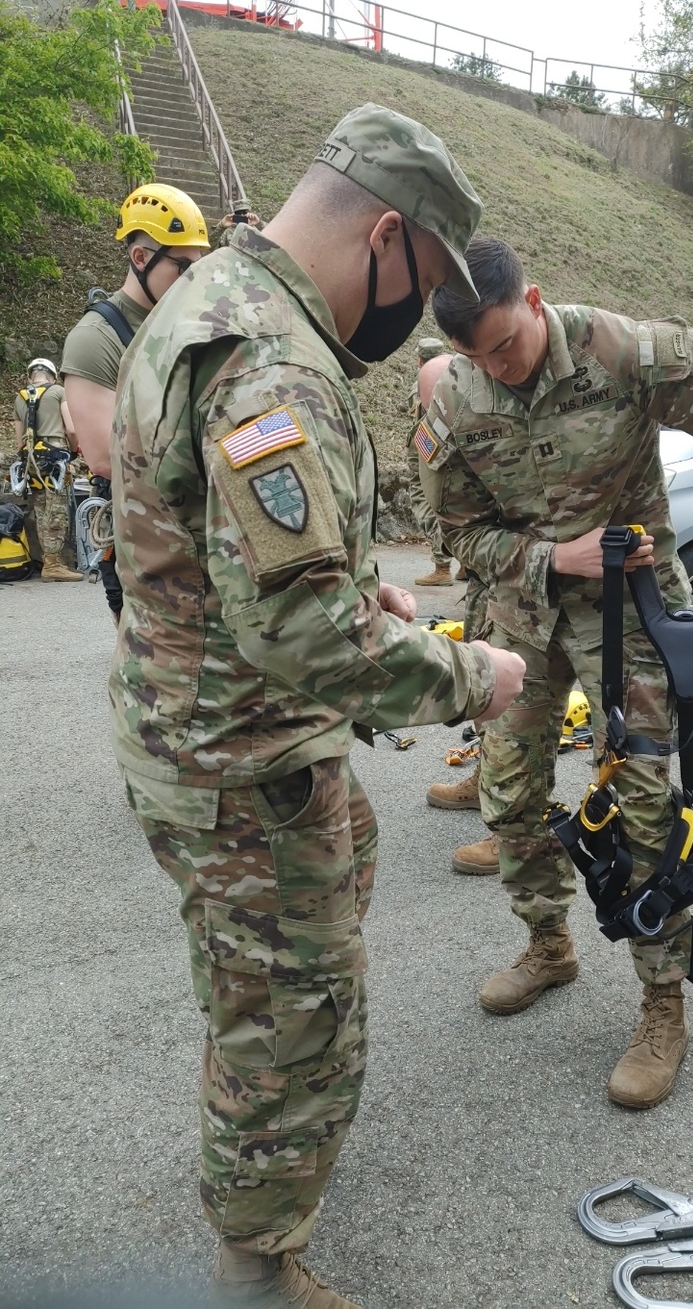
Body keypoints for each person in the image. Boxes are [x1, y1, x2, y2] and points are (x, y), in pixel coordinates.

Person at [109, 104, 525, 1308]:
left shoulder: (207, 297)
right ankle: (255, 1263)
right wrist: (471, 678)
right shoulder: (274, 361)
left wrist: (361, 588)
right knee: (297, 1014)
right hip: (240, 756)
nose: (414, 316)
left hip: (206, 724)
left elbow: (214, 540)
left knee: (318, 907)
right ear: (385, 236)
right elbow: (294, 626)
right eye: (426, 278)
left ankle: (263, 1090)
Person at [421, 236, 693, 1110]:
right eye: (476, 355)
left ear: (533, 301)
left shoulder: (625, 352)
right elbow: (456, 535)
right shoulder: (453, 394)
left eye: (506, 345)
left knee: (643, 804)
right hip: (524, 613)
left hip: (633, 609)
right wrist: (548, 557)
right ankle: (547, 944)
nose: (498, 367)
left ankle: (662, 1003)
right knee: (510, 790)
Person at [61, 182, 210, 622]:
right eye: (181, 267)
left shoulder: (191, 325)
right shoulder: (96, 339)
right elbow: (107, 457)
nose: (191, 281)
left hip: (204, 533)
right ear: (141, 258)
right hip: (145, 545)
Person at [415, 351, 501, 876]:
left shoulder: (497, 421)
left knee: (519, 705)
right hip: (485, 575)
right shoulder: (435, 431)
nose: (436, 412)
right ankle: (488, 782)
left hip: (519, 577)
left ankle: (513, 823)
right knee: (484, 687)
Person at [12, 359, 82, 582]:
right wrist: (73, 452)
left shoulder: (20, 397)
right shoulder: (59, 392)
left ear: (31, 376)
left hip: (31, 460)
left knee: (41, 508)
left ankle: (49, 560)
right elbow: (71, 429)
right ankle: (53, 564)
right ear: (52, 376)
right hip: (54, 456)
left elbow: (19, 443)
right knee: (56, 507)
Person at [408, 336, 457, 585]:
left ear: (419, 359)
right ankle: (468, 564)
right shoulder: (456, 380)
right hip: (450, 450)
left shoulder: (421, 383)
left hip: (427, 450)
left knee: (425, 499)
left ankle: (442, 565)